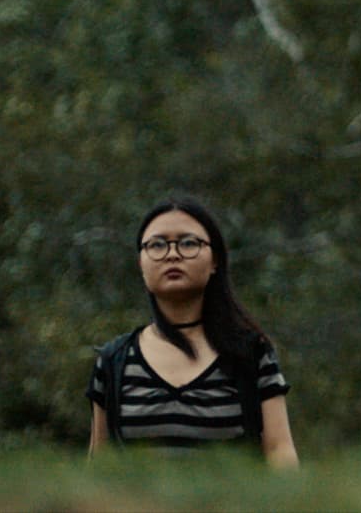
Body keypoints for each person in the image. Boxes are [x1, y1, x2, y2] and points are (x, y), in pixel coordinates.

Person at [87, 197, 298, 468]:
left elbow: (280, 452)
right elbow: (100, 464)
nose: (172, 254)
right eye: (157, 245)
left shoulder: (252, 354)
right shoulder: (114, 361)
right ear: (140, 263)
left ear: (214, 261)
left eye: (188, 243)